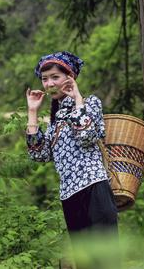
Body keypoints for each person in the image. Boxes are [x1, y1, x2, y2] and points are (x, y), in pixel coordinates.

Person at [25, 51, 118, 238]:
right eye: (45, 79)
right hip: (69, 196)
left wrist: (77, 99)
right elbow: (39, 155)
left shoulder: (90, 103)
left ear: (70, 77)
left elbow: (86, 136)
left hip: (94, 189)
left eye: (55, 77)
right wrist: (33, 112)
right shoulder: (54, 121)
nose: (49, 84)